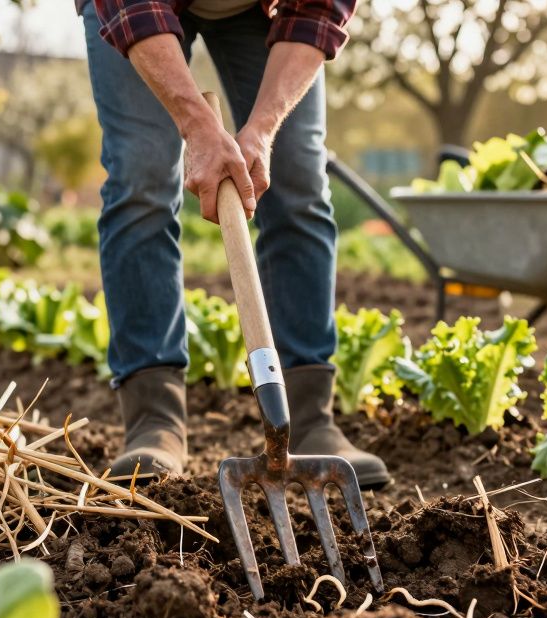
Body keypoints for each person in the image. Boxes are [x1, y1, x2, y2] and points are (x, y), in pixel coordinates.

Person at [79, 0, 389, 488]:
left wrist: (262, 132)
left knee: (296, 179)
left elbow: (318, 11)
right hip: (138, 10)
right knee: (140, 180)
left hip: (261, 10)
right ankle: (153, 420)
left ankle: (307, 418)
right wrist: (198, 125)